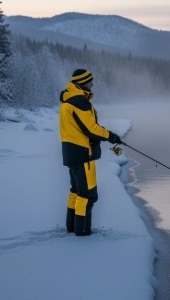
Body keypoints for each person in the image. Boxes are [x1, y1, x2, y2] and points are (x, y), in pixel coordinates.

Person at [59, 69, 122, 236]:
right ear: (82, 82)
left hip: (71, 153)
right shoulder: (80, 102)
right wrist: (111, 136)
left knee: (76, 191)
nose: (93, 84)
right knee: (87, 194)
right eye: (90, 81)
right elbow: (91, 129)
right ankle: (83, 230)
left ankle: (72, 227)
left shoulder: (67, 101)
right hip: (82, 154)